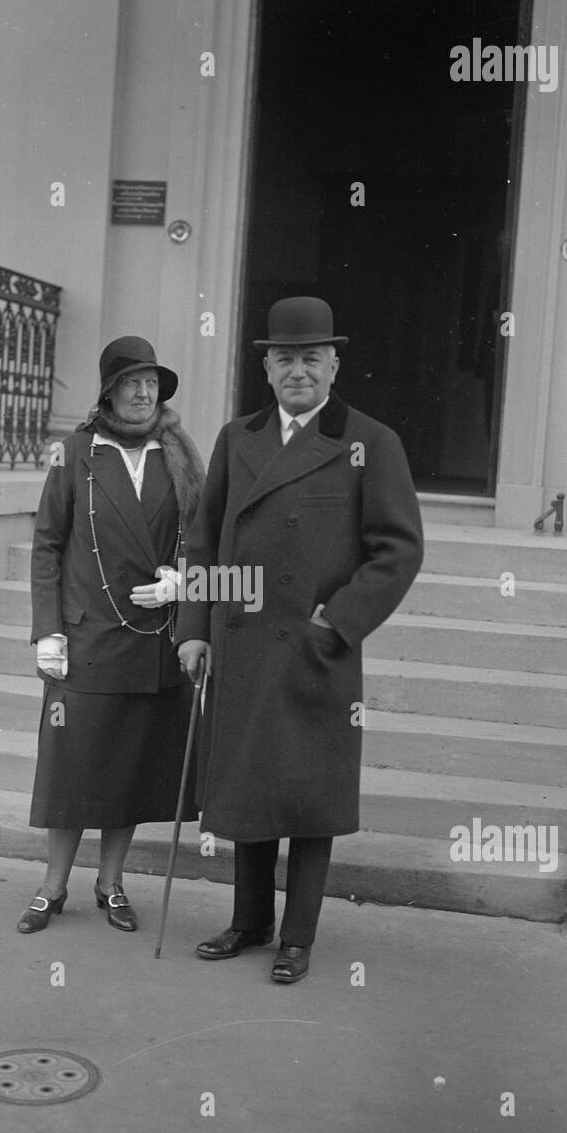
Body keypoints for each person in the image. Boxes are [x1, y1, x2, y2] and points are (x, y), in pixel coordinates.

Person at [177, 297, 423, 983]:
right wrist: (194, 630)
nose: (298, 371)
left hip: (317, 648)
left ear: (333, 363)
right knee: (248, 785)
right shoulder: (237, 437)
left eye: (311, 358)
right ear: (266, 366)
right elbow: (201, 542)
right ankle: (249, 921)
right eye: (284, 358)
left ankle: (298, 937)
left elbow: (396, 550)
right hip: (242, 642)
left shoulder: (369, 440)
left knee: (309, 796)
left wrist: (336, 621)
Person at [19, 336, 204, 934]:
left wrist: (185, 581)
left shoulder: (179, 455)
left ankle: (112, 883)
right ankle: (53, 887)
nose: (144, 392)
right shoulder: (75, 452)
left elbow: (202, 540)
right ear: (108, 392)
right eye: (131, 382)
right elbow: (48, 542)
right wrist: (46, 630)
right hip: (88, 639)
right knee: (73, 767)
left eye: (151, 382)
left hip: (154, 638)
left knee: (130, 766)